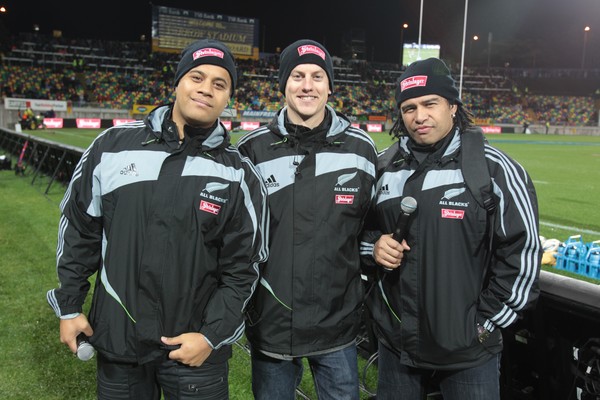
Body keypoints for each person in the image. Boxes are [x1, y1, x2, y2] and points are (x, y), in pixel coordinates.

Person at [46, 38, 269, 400]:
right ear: (178, 82)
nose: (206, 89)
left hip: (195, 352)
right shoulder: (112, 147)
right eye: (197, 77)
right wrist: (69, 305)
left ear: (229, 98)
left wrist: (211, 334)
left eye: (219, 84)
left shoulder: (238, 173)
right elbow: (79, 229)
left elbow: (244, 268)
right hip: (120, 343)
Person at [360, 58, 542, 400]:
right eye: (409, 107)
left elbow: (524, 251)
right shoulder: (382, 167)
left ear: (453, 107)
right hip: (396, 344)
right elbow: (357, 237)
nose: (419, 116)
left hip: (467, 351)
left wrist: (483, 326)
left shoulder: (493, 169)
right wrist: (375, 248)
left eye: (430, 104)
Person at [236, 39, 378, 400]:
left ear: (330, 85)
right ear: (283, 84)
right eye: (297, 76)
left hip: (338, 324)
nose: (307, 85)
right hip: (272, 323)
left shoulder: (361, 149)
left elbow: (371, 228)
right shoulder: (251, 150)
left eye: (317, 76)